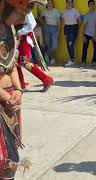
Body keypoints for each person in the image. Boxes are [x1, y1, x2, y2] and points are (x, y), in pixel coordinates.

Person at [0, 0, 47, 178]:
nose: (22, 20)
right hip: (4, 100)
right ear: (6, 7)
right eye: (20, 14)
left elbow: (11, 65)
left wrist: (19, 90)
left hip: (10, 101)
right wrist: (5, 96)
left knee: (10, 156)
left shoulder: (9, 29)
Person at [16, 12, 54, 92]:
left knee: (25, 62)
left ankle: (46, 79)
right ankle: (20, 84)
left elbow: (31, 24)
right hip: (15, 37)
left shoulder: (25, 7)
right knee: (15, 61)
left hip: (24, 38)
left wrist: (20, 32)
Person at [81, 0, 96, 67]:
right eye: (90, 4)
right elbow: (84, 25)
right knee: (84, 48)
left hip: (94, 34)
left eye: (93, 4)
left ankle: (94, 61)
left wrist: (95, 35)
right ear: (88, 5)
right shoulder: (87, 15)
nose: (92, 5)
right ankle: (83, 61)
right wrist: (83, 35)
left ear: (94, 5)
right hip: (87, 33)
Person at [40, 0, 60, 65]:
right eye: (48, 3)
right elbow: (40, 18)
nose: (49, 4)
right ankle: (52, 58)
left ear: (52, 4)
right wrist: (43, 23)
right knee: (48, 44)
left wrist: (58, 31)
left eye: (50, 3)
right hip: (46, 28)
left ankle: (47, 53)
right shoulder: (44, 11)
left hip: (54, 28)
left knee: (54, 45)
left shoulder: (56, 11)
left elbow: (59, 22)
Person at [62, 0, 81, 67]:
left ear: (72, 3)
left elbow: (79, 20)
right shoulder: (64, 11)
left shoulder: (75, 10)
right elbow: (63, 22)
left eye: (71, 2)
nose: (69, 3)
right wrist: (64, 31)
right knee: (68, 44)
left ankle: (72, 60)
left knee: (70, 43)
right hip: (66, 28)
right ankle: (71, 59)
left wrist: (77, 29)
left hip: (74, 27)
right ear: (66, 3)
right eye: (68, 2)